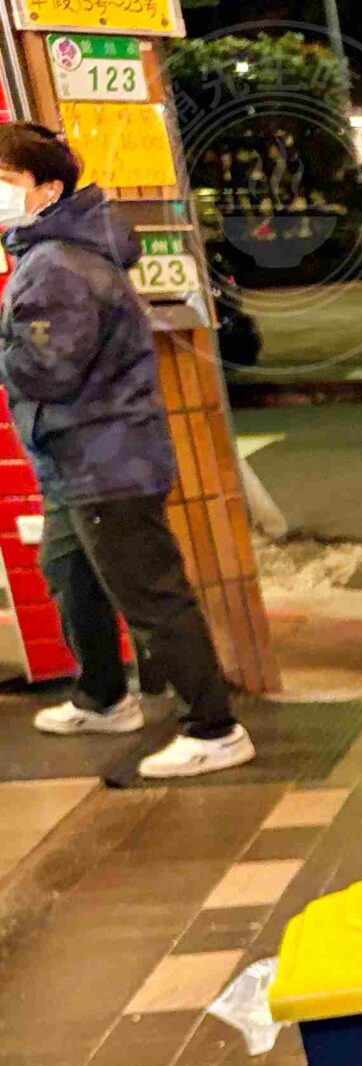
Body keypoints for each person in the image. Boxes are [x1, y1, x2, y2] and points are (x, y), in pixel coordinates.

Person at [0, 124, 253, 778]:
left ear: (47, 190)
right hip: (78, 458)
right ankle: (103, 696)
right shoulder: (51, 253)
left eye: (4, 181)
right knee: (69, 573)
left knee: (151, 596)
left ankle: (215, 728)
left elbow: (48, 369)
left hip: (103, 460)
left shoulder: (57, 263)